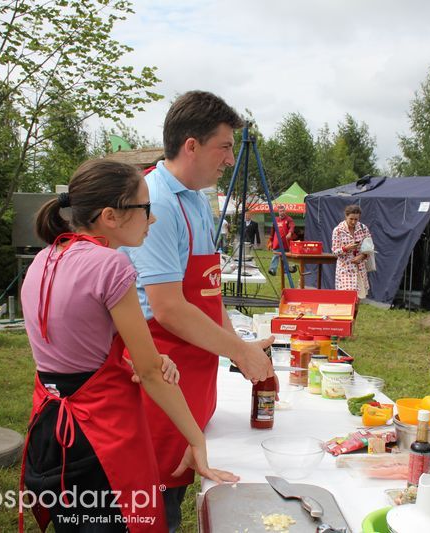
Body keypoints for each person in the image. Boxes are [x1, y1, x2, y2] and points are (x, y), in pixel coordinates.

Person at [20, 159, 238, 532]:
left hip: (49, 427)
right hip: (99, 435)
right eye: (145, 209)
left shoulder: (45, 257)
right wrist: (195, 438)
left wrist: (140, 357)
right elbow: (151, 374)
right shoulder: (112, 266)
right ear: (111, 216)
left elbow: (77, 343)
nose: (152, 220)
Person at [121, 90, 273, 532]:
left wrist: (235, 346)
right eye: (224, 147)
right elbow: (168, 308)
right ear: (191, 145)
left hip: (194, 372)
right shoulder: (158, 203)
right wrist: (241, 354)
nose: (229, 159)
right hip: (163, 369)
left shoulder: (196, 199)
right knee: (153, 501)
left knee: (175, 488)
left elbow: (207, 294)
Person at [331, 204, 372, 298]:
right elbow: (334, 252)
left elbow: (370, 248)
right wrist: (346, 248)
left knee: (358, 298)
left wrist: (362, 256)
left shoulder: (363, 228)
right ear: (346, 216)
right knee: (346, 298)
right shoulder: (338, 230)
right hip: (345, 268)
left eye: (356, 219)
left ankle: (354, 313)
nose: (353, 222)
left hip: (360, 268)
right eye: (351, 219)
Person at [267, 204, 296, 275]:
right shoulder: (275, 220)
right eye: (280, 211)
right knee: (275, 256)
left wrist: (290, 233)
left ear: (285, 211)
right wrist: (270, 240)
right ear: (278, 212)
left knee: (285, 257)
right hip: (277, 242)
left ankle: (286, 271)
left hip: (286, 243)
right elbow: (272, 231)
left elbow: (292, 226)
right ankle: (273, 270)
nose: (282, 212)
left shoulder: (289, 219)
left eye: (283, 211)